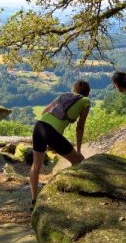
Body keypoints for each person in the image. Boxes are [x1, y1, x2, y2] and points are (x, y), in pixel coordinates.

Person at [30, 80, 90, 208]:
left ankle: (34, 200)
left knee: (36, 166)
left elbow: (45, 111)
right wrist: (78, 150)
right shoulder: (86, 102)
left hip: (39, 126)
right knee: (79, 162)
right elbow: (80, 128)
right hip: (51, 132)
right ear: (87, 93)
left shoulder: (64, 95)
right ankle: (71, 192)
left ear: (74, 89)